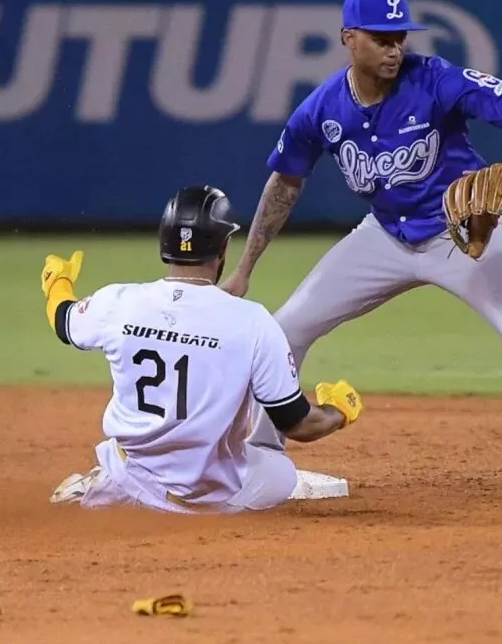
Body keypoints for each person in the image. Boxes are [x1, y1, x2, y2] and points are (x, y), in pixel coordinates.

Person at [222, 0, 502, 503]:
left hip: (463, 235)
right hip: (383, 237)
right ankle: (262, 454)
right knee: (283, 329)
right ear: (349, 38)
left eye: (399, 37)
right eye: (380, 38)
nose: (394, 48)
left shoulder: (437, 80)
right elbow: (285, 181)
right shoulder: (322, 109)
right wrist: (245, 268)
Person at [42, 185, 363, 514]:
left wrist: (57, 283)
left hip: (132, 476)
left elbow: (63, 320)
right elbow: (299, 424)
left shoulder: (118, 301)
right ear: (223, 247)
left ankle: (110, 488)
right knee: (280, 472)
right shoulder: (252, 321)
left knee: (127, 461)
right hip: (209, 496)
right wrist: (339, 411)